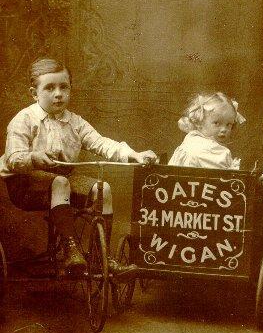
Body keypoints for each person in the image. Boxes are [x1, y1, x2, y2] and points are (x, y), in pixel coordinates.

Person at [0, 58, 157, 276]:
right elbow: (13, 159)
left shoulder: (75, 122)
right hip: (25, 184)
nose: (58, 94)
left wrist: (133, 155)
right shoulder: (24, 120)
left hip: (62, 180)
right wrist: (34, 157)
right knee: (61, 182)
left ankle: (101, 255)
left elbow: (100, 142)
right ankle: (71, 250)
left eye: (64, 87)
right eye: (50, 88)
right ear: (34, 93)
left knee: (103, 189)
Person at [168, 92, 245, 169]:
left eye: (228, 124)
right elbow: (225, 178)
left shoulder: (190, 140)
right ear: (199, 122)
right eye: (217, 123)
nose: (224, 129)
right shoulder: (215, 152)